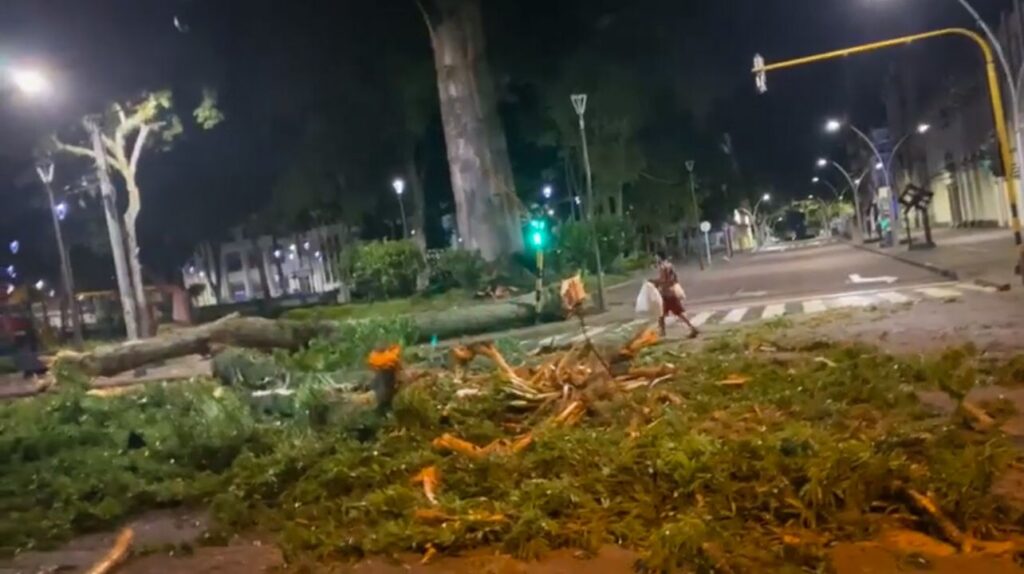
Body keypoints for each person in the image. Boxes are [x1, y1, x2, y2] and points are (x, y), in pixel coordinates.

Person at [650, 251, 699, 338]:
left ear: (660, 258)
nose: (656, 260)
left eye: (656, 258)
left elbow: (663, 280)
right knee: (664, 313)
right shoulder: (670, 265)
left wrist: (653, 282)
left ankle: (692, 328)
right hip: (671, 292)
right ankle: (663, 332)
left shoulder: (663, 267)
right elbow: (674, 278)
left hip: (666, 294)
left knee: (667, 313)